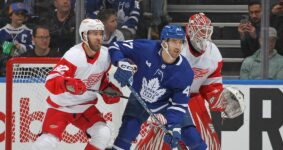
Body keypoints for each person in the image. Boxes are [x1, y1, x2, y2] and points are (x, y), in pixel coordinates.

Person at [135, 13, 245, 150]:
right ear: (190, 31)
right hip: (168, 100)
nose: (204, 38)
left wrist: (218, 100)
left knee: (211, 145)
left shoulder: (213, 53)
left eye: (206, 32)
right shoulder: (177, 49)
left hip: (194, 99)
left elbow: (210, 86)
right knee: (157, 144)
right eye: (200, 33)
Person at [109, 25, 207, 149]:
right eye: (174, 41)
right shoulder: (145, 48)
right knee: (127, 131)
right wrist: (120, 63)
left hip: (166, 104)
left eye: (181, 42)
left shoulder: (185, 72)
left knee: (191, 136)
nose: (178, 46)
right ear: (164, 42)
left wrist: (173, 128)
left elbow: (178, 104)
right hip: (139, 95)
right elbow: (115, 46)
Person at [30, 18, 122, 150]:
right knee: (46, 143)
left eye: (101, 34)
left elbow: (101, 79)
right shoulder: (74, 56)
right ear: (84, 35)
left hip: (85, 107)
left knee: (103, 133)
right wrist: (69, 84)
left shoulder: (105, 56)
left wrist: (107, 89)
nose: (99, 38)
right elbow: (50, 81)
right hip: (61, 107)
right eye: (94, 34)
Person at [0, 2, 33, 76]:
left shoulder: (29, 32)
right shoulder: (2, 31)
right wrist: (10, 48)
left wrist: (21, 47)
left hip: (24, 68)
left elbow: (34, 47)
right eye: (17, 13)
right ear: (10, 15)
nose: (20, 16)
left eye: (23, 14)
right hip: (4, 68)